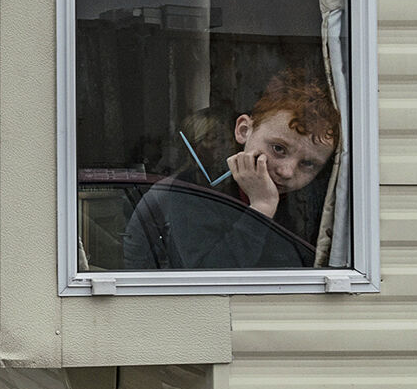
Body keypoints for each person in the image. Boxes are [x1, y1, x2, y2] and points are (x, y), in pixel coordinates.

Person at [123, 69, 339, 270]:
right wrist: (261, 208)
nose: (287, 171)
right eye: (278, 149)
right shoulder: (196, 189)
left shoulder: (317, 203)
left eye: (308, 164)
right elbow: (210, 277)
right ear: (244, 130)